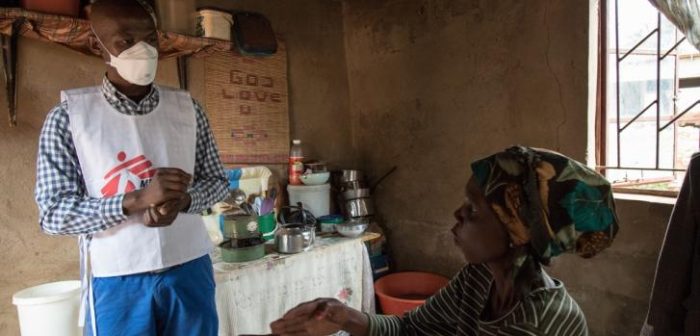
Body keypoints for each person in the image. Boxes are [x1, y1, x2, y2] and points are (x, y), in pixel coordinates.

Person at [270, 146, 619, 336]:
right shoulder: (478, 280)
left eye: (473, 209)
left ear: (516, 228)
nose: (458, 214)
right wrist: (342, 315)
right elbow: (411, 328)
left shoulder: (547, 322)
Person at [33, 0, 228, 335]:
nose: (143, 50)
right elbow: (53, 214)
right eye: (125, 41)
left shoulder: (187, 110)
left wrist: (182, 201)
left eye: (149, 39)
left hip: (189, 268)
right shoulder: (70, 118)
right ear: (98, 45)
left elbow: (218, 183)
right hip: (118, 279)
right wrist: (136, 200)